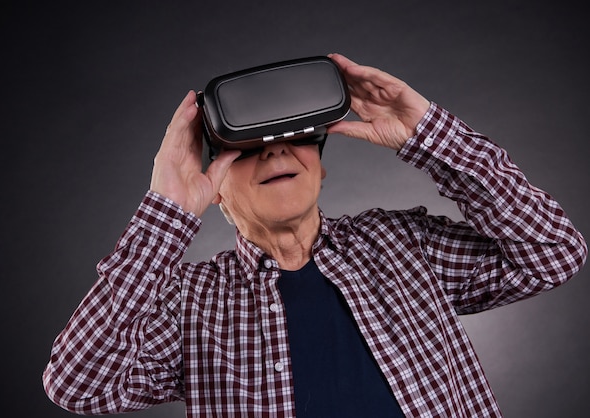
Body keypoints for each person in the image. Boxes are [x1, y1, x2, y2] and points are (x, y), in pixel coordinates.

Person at [43, 53, 587, 417]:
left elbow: (553, 253)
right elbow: (77, 384)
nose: (276, 150)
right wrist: (167, 211)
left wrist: (428, 134)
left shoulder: (405, 245)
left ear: (321, 167)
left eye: (296, 138)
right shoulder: (187, 304)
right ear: (213, 189)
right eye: (248, 146)